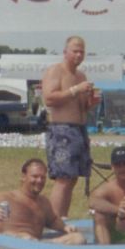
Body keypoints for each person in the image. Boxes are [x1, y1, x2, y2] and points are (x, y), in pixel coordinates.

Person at [41, 36, 101, 218]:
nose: (79, 55)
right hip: (61, 130)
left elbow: (80, 107)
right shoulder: (55, 71)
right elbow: (49, 98)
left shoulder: (81, 76)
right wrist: (75, 90)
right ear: (65, 52)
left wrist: (91, 102)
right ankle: (53, 221)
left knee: (72, 178)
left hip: (79, 130)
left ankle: (62, 219)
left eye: (82, 51)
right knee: (63, 178)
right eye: (75, 51)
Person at [0, 158, 86, 244]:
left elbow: (53, 221)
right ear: (23, 177)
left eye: (42, 177)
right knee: (25, 237)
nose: (39, 181)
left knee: (78, 238)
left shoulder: (43, 202)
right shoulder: (6, 198)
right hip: (11, 246)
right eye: (35, 176)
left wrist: (64, 227)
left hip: (37, 247)